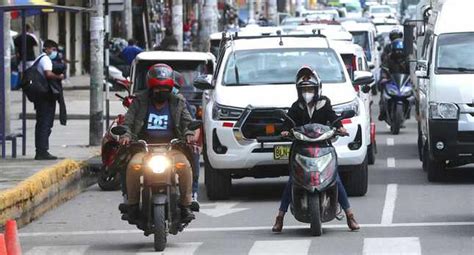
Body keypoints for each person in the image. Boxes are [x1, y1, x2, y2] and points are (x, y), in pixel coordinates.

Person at [272, 66, 360, 232]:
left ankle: (349, 215)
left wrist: (340, 128)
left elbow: (333, 119)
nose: (307, 92)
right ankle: (279, 217)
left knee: (335, 178)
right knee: (292, 179)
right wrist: (284, 130)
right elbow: (288, 122)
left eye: (310, 88)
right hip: (301, 148)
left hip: (323, 147)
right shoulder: (296, 106)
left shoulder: (324, 103)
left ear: (317, 88)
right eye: (304, 89)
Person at [119, 63, 196, 223]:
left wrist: (189, 133)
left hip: (172, 148)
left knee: (185, 167)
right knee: (132, 167)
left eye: (165, 90)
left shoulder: (178, 101)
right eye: (157, 90)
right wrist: (126, 135)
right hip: (143, 148)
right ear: (151, 88)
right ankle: (132, 205)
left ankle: (186, 205)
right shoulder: (139, 100)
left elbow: (188, 122)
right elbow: (128, 122)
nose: (161, 93)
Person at [34, 39, 64, 160]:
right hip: (45, 96)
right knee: (45, 123)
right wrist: (59, 76)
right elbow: (48, 74)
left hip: (41, 96)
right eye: (52, 49)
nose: (54, 52)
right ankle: (42, 151)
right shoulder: (45, 59)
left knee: (42, 123)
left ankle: (41, 150)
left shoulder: (39, 58)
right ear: (46, 48)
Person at [378, 38, 409, 121]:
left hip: (403, 82)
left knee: (412, 95)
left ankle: (408, 111)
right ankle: (382, 111)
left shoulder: (407, 59)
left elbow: (411, 71)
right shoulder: (388, 58)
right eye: (397, 50)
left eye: (400, 50)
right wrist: (384, 77)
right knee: (382, 91)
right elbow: (384, 68)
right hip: (390, 81)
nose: (398, 52)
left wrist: (412, 79)